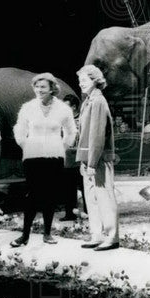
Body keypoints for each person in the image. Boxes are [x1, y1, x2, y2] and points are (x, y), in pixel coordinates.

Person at [10, 73, 76, 247]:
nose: (39, 90)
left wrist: (62, 147)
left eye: (43, 87)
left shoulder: (63, 109)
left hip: (54, 157)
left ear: (52, 89)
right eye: (37, 87)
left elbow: (71, 132)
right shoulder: (27, 107)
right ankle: (24, 236)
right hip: (33, 157)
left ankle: (47, 233)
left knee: (50, 194)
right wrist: (26, 145)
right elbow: (19, 129)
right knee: (32, 195)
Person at [76, 65, 119, 251]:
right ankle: (97, 235)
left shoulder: (98, 101)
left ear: (95, 80)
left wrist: (92, 162)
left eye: (84, 80)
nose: (80, 84)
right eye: (79, 81)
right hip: (89, 159)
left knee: (104, 197)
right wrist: (84, 160)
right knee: (92, 199)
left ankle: (111, 237)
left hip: (99, 159)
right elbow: (84, 134)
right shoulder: (88, 101)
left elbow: (96, 135)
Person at [60, 93, 87, 222]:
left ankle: (88, 212)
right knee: (68, 187)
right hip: (67, 158)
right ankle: (70, 213)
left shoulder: (82, 119)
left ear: (75, 107)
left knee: (84, 187)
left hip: (80, 158)